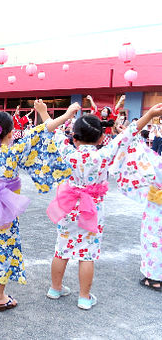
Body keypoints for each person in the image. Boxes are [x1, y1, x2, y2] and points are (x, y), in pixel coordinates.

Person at [0, 99, 72, 311]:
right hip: (7, 209)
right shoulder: (14, 150)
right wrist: (64, 115)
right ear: (11, 134)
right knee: (4, 247)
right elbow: (44, 129)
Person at [46, 102, 161, 310]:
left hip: (69, 206)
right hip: (93, 209)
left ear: (74, 137)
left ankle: (55, 288)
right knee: (87, 253)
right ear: (101, 138)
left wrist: (52, 113)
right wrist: (150, 114)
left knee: (61, 249)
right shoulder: (104, 153)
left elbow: (50, 128)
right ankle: (84, 297)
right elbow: (129, 133)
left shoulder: (68, 152)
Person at [108, 104, 162, 292]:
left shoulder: (157, 162)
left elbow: (141, 153)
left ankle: (154, 278)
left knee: (153, 237)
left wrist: (132, 135)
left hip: (157, 208)